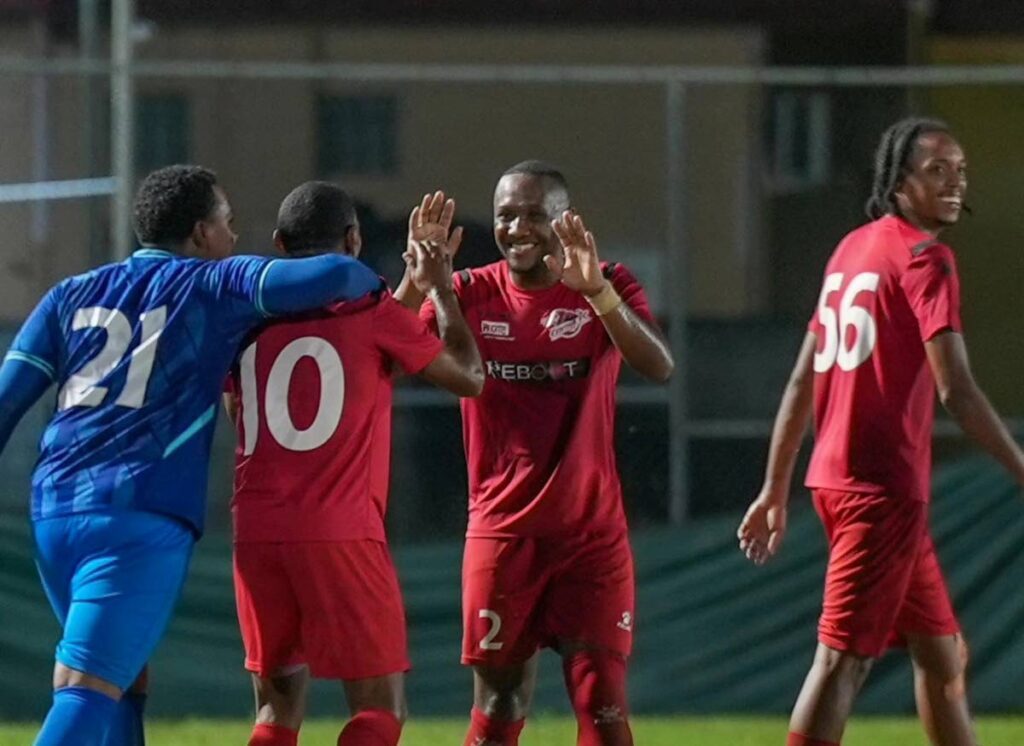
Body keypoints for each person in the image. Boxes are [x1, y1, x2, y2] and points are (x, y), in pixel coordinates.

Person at [0, 165, 382, 746]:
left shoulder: (68, 294)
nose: (232, 236)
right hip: (136, 518)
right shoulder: (214, 284)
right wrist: (369, 274)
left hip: (54, 515)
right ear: (202, 232)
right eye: (227, 224)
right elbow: (335, 273)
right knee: (86, 684)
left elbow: (6, 404)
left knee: (121, 677)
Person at [737, 118, 1024, 746]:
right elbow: (958, 391)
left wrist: (775, 486)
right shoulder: (927, 259)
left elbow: (800, 382)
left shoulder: (851, 249)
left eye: (960, 171)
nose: (953, 183)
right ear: (897, 182)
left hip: (841, 483)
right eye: (936, 170)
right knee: (841, 662)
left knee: (943, 656)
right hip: (880, 490)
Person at [399, 160, 674, 746]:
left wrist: (597, 293)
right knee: (499, 704)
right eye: (505, 216)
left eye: (533, 214)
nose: (517, 227)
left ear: (563, 219)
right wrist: (433, 288)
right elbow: (395, 353)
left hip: (590, 536)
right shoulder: (471, 291)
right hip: (503, 534)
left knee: (602, 705)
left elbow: (659, 365)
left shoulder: (607, 282)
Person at [223, 182, 483, 746]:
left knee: (275, 712)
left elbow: (235, 408)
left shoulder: (243, 318)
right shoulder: (368, 309)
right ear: (354, 239)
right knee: (378, 709)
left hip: (258, 532)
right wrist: (440, 290)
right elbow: (469, 377)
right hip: (340, 531)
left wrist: (411, 282)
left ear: (278, 243)